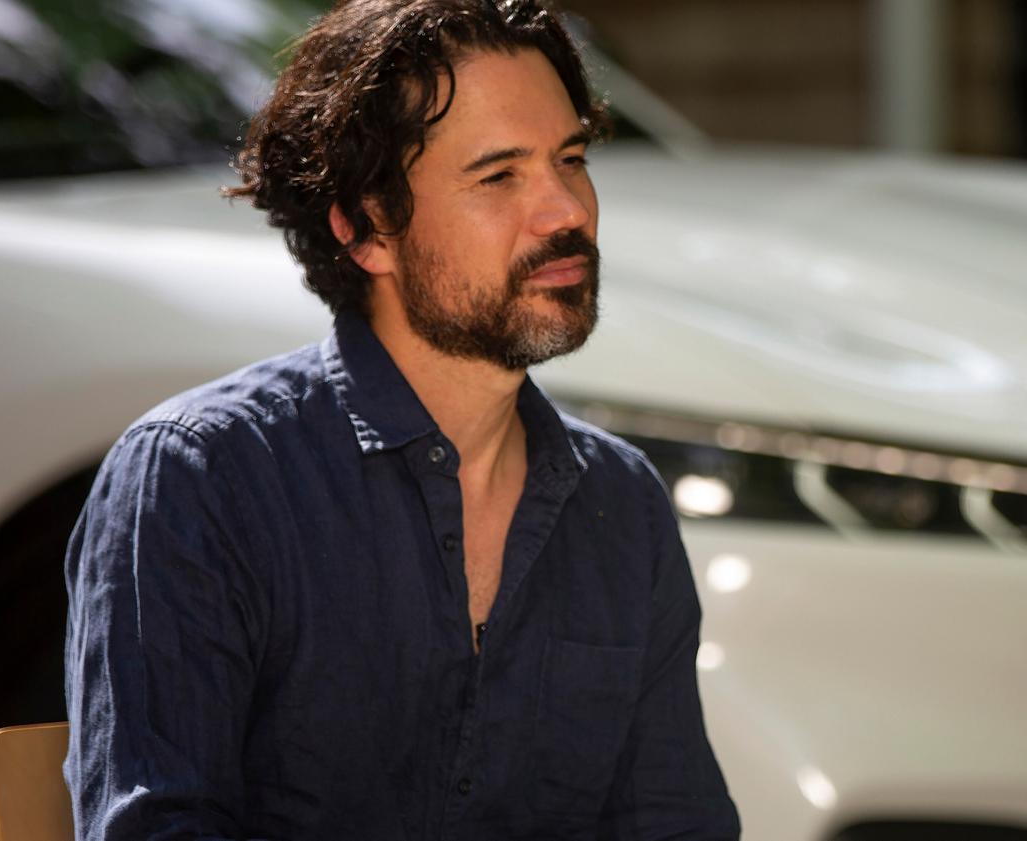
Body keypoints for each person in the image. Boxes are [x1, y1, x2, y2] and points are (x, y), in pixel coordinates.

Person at [60, 1, 741, 838]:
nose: (566, 210)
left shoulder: (621, 504)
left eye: (571, 158)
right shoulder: (202, 478)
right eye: (500, 176)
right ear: (366, 227)